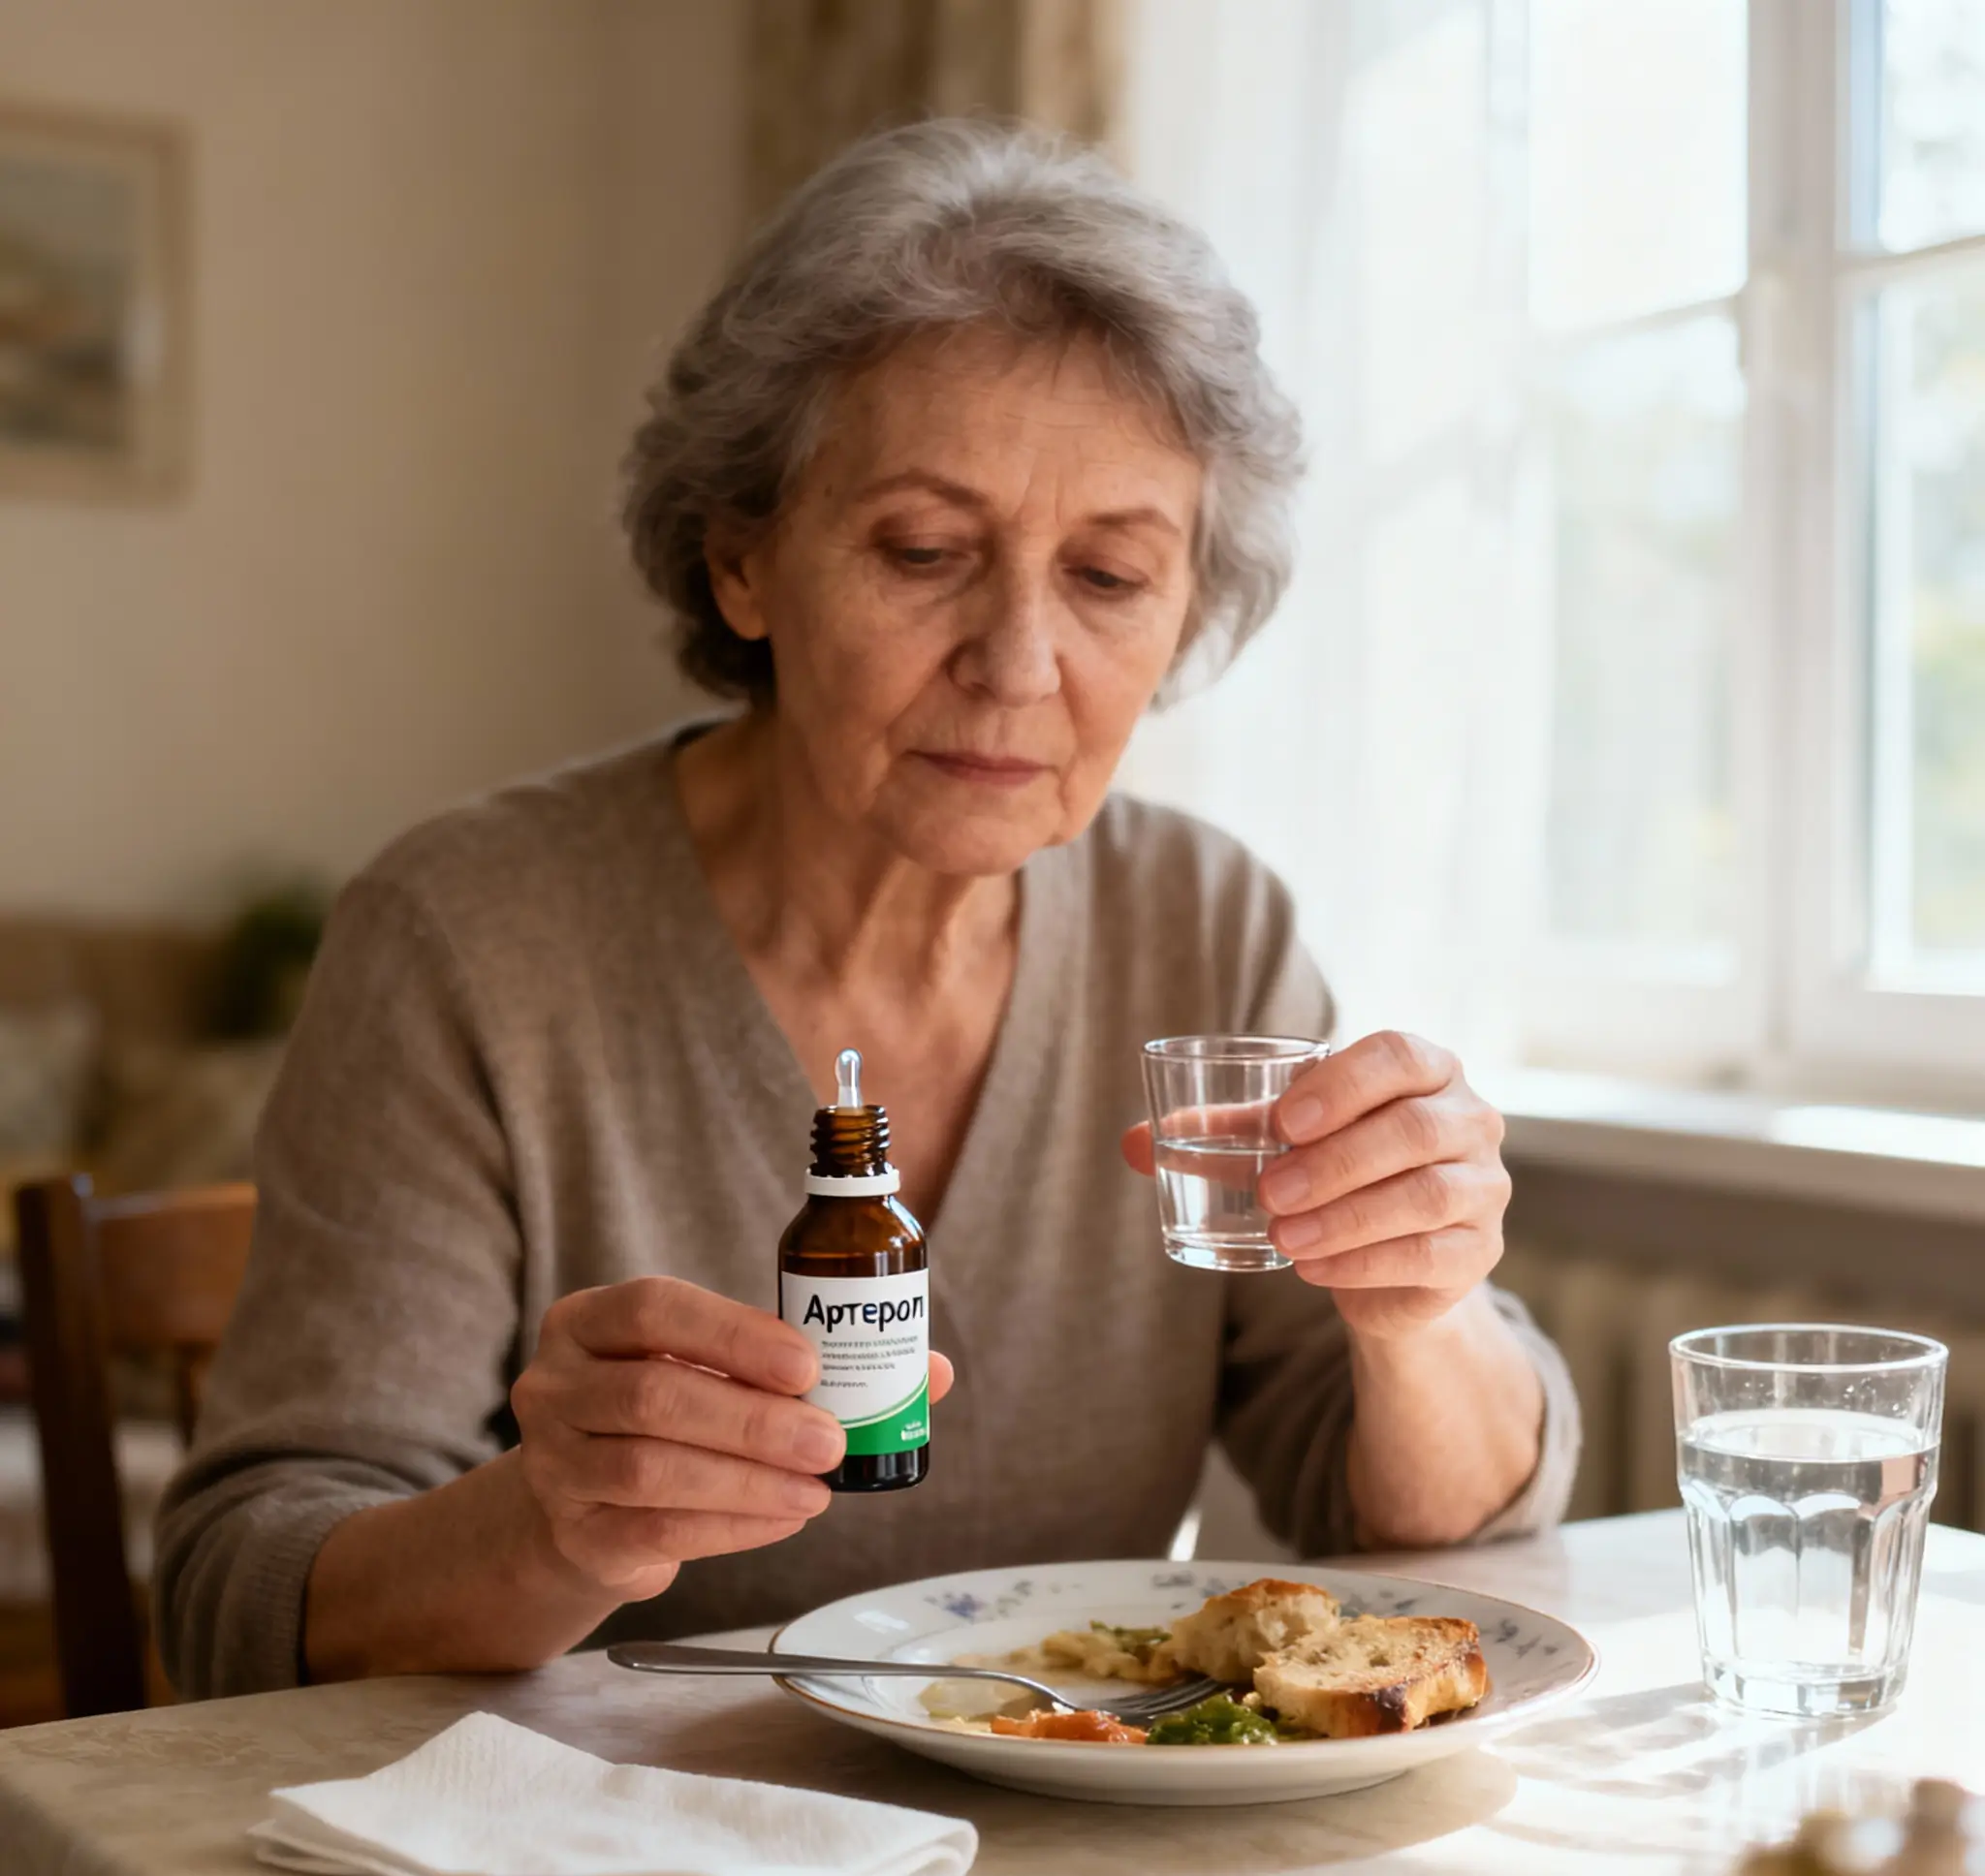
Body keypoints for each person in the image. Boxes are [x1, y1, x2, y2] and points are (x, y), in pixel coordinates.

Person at [156, 119, 1579, 1699]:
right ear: (743, 563)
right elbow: (241, 1587)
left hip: (1064, 1848)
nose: (1020, 662)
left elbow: (1422, 1500)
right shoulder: (470, 937)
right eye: (923, 549)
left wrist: (1424, 1315)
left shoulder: (1203, 917)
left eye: (1110, 577)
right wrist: (558, 1532)